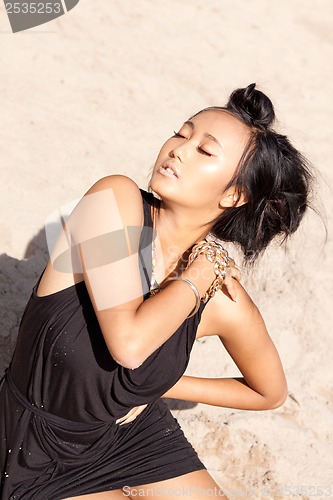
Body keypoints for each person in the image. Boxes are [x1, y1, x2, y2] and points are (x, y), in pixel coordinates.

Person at [0, 83, 312, 499]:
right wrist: (196, 278)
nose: (178, 149)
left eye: (205, 150)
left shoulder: (218, 297)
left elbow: (269, 392)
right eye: (182, 133)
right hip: (33, 444)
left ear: (235, 194)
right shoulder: (113, 204)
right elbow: (128, 343)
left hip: (133, 440)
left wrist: (163, 387)